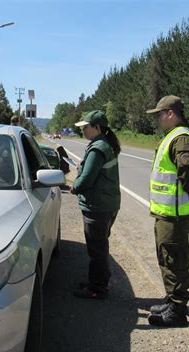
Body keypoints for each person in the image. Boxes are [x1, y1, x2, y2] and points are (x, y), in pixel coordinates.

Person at [146, 95, 189, 326]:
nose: (158, 119)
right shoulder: (172, 137)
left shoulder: (181, 139)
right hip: (167, 212)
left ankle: (178, 310)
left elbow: (187, 175)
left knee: (174, 259)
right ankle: (172, 299)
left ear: (171, 113)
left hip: (175, 214)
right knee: (167, 256)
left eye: (159, 114)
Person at [70, 110, 121, 300]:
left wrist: (74, 187)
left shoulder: (98, 148)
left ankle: (97, 288)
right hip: (107, 203)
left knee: (96, 249)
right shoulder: (104, 144)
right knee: (100, 246)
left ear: (97, 127)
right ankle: (97, 280)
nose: (83, 130)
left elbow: (86, 180)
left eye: (86, 127)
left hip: (98, 206)